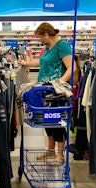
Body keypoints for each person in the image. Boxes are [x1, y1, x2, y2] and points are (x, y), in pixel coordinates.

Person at [18, 22, 77, 164]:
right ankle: (50, 151)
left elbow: (72, 68)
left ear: (46, 34)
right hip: (45, 90)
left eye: (40, 37)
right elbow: (42, 62)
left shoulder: (62, 45)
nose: (39, 40)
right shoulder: (48, 47)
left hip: (56, 92)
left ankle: (59, 155)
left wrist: (60, 83)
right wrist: (27, 64)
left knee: (56, 122)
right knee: (47, 122)